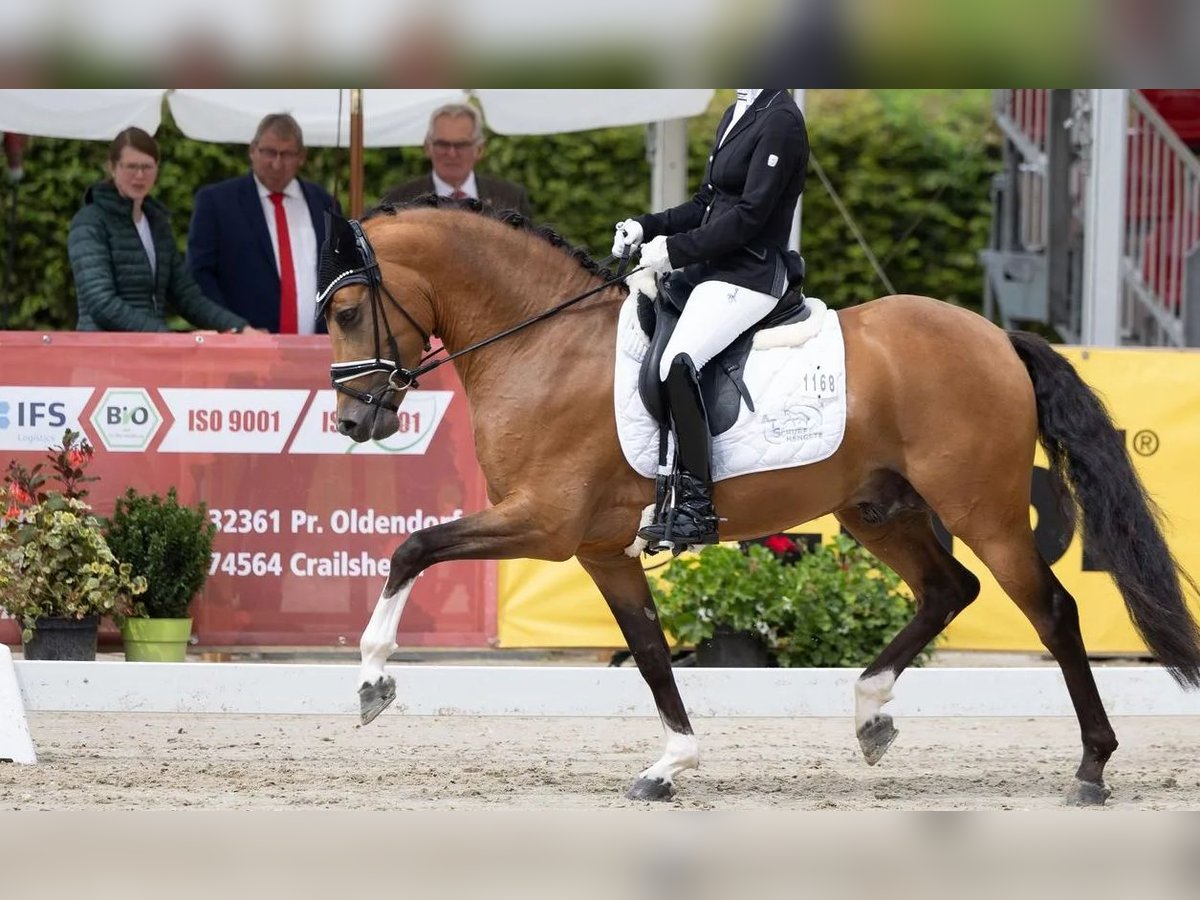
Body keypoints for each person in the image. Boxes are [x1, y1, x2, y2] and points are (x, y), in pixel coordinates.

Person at [612, 89, 809, 548]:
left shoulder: (781, 119)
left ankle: (697, 507)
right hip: (713, 270)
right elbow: (706, 202)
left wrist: (676, 250)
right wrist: (648, 225)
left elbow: (752, 215)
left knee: (678, 361)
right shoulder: (737, 111)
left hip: (752, 273)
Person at [68, 127, 255, 333]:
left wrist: (240, 328)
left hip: (150, 348)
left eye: (147, 167)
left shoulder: (157, 224)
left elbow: (187, 296)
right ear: (113, 168)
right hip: (104, 348)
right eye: (131, 166)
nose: (139, 175)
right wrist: (168, 338)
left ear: (157, 169)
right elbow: (101, 302)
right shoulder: (90, 222)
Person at [187, 113, 339, 334]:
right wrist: (232, 328)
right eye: (269, 152)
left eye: (287, 154)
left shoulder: (324, 204)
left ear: (302, 157)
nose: (276, 164)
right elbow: (199, 275)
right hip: (243, 344)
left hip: (317, 346)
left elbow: (337, 275)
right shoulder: (217, 203)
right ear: (252, 150)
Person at [378, 102, 533, 217]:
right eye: (442, 144)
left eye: (461, 145)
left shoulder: (510, 199)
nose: (451, 153)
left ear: (479, 149)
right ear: (427, 147)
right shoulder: (399, 201)